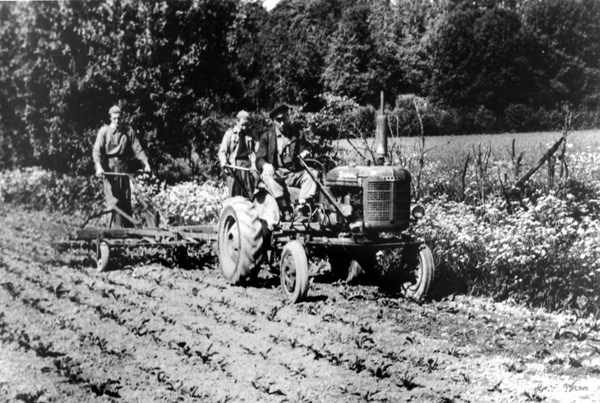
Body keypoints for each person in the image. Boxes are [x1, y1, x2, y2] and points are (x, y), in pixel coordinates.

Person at [255, 104, 317, 221]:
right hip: (276, 173)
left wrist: (306, 153)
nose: (282, 123)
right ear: (273, 121)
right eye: (278, 120)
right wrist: (265, 165)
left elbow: (306, 147)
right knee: (267, 177)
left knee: (312, 173)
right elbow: (259, 158)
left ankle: (301, 209)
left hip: (294, 173)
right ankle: (285, 209)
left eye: (284, 119)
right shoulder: (267, 137)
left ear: (288, 117)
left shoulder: (297, 134)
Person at [93, 105, 151, 228]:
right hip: (109, 169)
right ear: (110, 118)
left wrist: (146, 163)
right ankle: (114, 231)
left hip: (123, 168)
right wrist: (98, 166)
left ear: (122, 118)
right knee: (113, 200)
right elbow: (97, 150)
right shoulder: (104, 131)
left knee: (125, 199)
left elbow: (137, 148)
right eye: (114, 118)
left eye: (119, 118)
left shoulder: (128, 131)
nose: (117, 121)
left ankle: (130, 231)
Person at [217, 110, 257, 197]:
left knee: (249, 195)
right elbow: (222, 152)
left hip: (247, 168)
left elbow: (257, 151)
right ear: (237, 121)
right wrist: (223, 161)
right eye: (243, 125)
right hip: (234, 168)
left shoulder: (251, 135)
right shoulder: (229, 134)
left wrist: (255, 164)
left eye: (247, 125)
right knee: (234, 195)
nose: (244, 128)